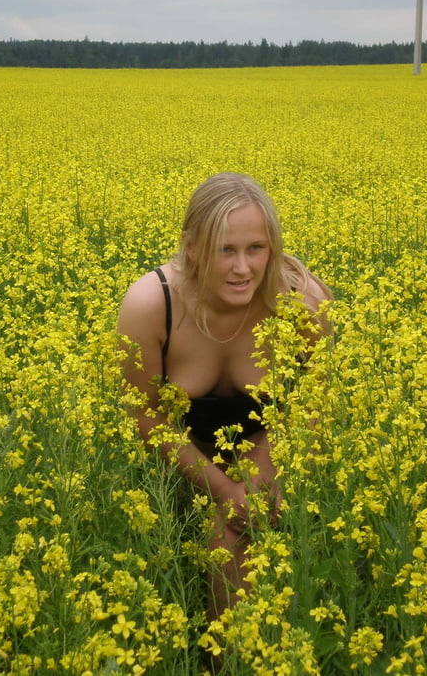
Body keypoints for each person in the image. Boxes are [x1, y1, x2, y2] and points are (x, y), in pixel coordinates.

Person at [116, 172, 332, 622]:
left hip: (268, 439)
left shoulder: (300, 302)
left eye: (256, 248)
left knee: (231, 536)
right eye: (225, 250)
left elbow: (313, 403)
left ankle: (237, 656)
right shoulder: (151, 304)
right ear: (192, 247)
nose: (243, 268)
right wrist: (221, 487)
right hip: (182, 446)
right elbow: (146, 416)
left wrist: (254, 486)